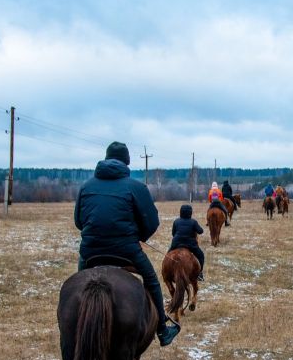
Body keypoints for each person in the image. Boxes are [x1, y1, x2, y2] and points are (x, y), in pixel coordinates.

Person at [74, 141, 180, 346]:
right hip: (126, 250)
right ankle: (162, 330)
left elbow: (79, 221)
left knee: (79, 281)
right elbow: (151, 222)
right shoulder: (136, 187)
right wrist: (137, 236)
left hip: (90, 251)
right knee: (151, 279)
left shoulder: (86, 186)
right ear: (127, 162)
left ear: (105, 159)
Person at [169, 204, 205, 281]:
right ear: (190, 213)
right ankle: (199, 273)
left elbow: (173, 233)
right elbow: (201, 231)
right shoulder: (193, 222)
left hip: (176, 242)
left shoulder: (176, 221)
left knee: (167, 255)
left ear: (181, 212)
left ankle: (165, 271)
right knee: (201, 256)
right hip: (190, 244)